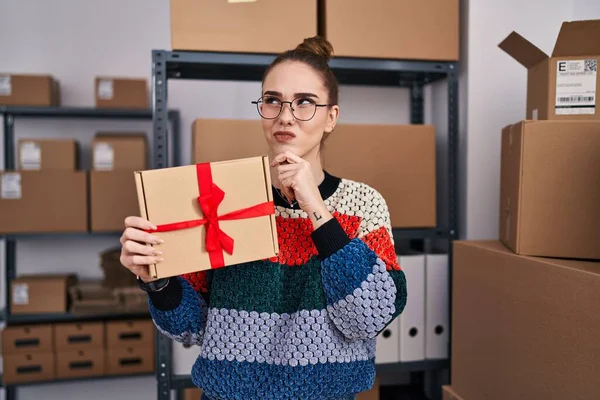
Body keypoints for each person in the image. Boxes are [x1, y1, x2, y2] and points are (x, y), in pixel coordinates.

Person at [120, 36, 407, 400]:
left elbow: (370, 316)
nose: (285, 116)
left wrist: (316, 208)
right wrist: (157, 282)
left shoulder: (363, 204)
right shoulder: (222, 200)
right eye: (272, 101)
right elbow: (191, 327)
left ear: (331, 118)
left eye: (304, 102)